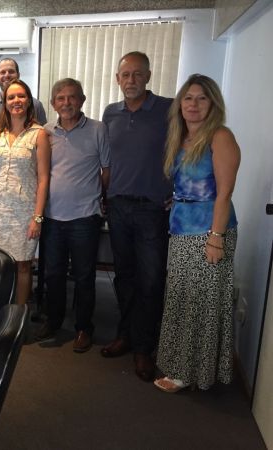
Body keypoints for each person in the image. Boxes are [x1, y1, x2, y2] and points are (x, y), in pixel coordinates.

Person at [154, 74, 241, 392]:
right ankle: (182, 367)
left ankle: (191, 374)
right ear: (180, 104)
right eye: (188, 98)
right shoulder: (181, 138)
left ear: (213, 103)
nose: (193, 104)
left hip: (209, 233)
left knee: (201, 304)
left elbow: (224, 193)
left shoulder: (220, 136)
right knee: (182, 299)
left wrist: (216, 238)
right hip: (181, 229)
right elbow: (189, 184)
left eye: (201, 98)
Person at [101, 51, 173, 382]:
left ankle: (144, 347)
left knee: (151, 278)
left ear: (148, 76)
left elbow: (185, 147)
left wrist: (177, 188)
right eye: (125, 75)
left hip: (151, 209)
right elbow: (106, 159)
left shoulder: (168, 109)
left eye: (137, 74)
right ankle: (126, 334)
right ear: (117, 79)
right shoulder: (110, 113)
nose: (131, 80)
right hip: (117, 206)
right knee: (124, 276)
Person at [35, 79, 110, 351]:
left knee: (84, 276)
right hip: (52, 217)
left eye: (72, 97)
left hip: (85, 217)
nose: (66, 103)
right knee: (53, 274)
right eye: (61, 98)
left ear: (82, 100)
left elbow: (106, 170)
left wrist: (98, 197)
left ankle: (83, 328)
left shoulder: (98, 129)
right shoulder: (45, 132)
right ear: (53, 103)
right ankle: (54, 321)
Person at [0, 79, 51, 305]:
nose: (16, 101)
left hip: (24, 212)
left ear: (28, 101)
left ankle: (18, 316)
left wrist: (37, 217)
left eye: (21, 96)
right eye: (11, 97)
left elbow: (43, 178)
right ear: (5, 102)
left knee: (23, 265)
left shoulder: (39, 134)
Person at [0, 58, 48, 125]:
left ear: (18, 75)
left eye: (11, 71)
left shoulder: (36, 105)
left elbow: (43, 130)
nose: (7, 75)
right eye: (3, 72)